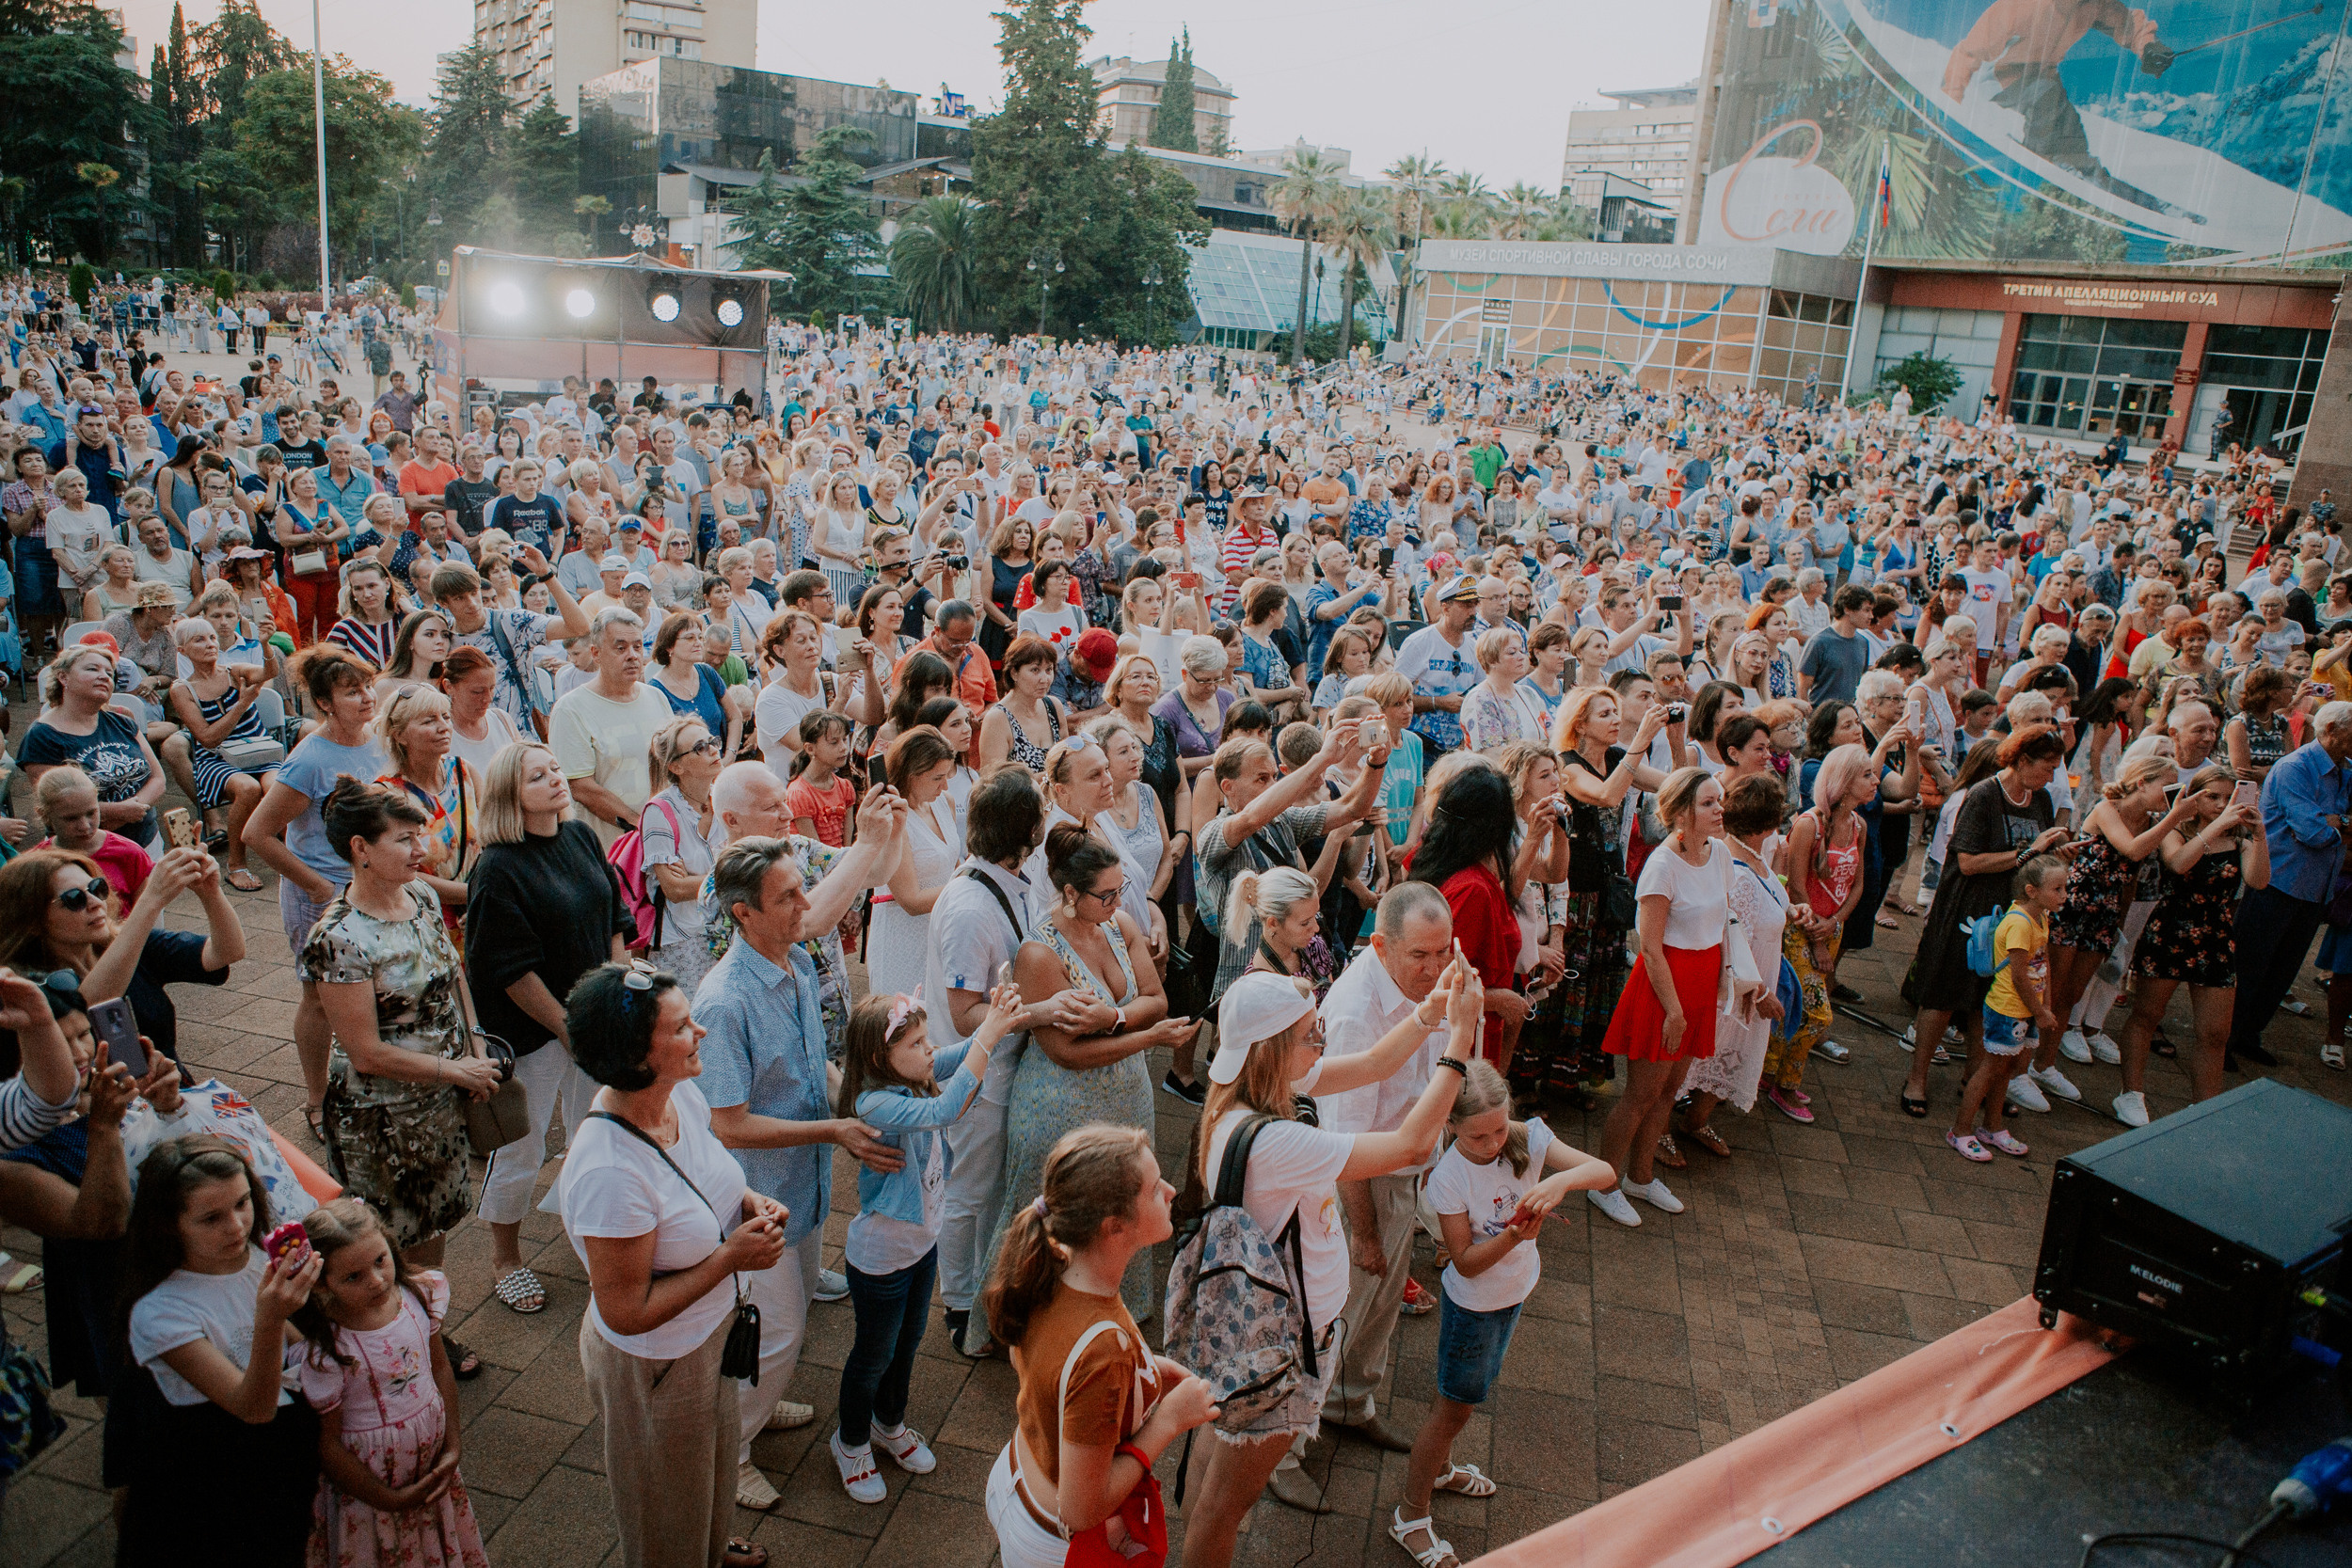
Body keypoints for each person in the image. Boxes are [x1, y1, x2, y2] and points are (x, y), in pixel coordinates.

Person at [1176, 962, 1481, 1566]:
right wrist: (1459, 1044)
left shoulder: (1248, 1095)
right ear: (1271, 1048)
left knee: (1215, 1469)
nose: (1322, 1040)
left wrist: (1430, 1011)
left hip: (1251, 1330)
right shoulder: (1274, 1140)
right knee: (1225, 1508)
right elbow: (1412, 1145)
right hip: (1279, 1348)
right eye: (1311, 1033)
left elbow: (1371, 1065)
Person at [693, 828, 912, 1510]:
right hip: (758, 1196)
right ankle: (730, 1452)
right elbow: (727, 1122)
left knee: (778, 1325)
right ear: (742, 912)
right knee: (779, 1326)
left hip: (805, 1178)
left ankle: (762, 1394)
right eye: (787, 896)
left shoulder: (792, 963)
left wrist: (847, 1093)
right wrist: (835, 1128)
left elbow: (802, 1062)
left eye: (800, 888)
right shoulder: (724, 1000)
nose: (806, 905)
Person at [557, 961, 787, 1568]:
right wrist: (730, 1257)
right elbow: (627, 1311)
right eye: (683, 1027)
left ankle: (710, 1544)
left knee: (708, 1471)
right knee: (663, 1510)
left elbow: (707, 1172)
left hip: (707, 1336)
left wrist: (747, 1201)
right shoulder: (609, 1172)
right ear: (638, 1058)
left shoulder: (678, 1089)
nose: (702, 1033)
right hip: (657, 1366)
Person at [972, 824, 1190, 1348]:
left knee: (1122, 1206)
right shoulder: (1039, 954)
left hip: (1125, 1095)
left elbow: (1156, 999)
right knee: (1046, 1216)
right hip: (1060, 1105)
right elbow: (1066, 1053)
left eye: (1120, 891)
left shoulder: (1119, 925)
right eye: (1106, 894)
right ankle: (1022, 1326)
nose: (1119, 902)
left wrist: (1113, 1018)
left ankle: (1110, 1313)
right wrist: (1144, 1036)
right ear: (1070, 894)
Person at [1274, 881, 1458, 1500]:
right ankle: (1282, 1454)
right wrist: (1368, 1233)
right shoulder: (1356, 1011)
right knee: (1332, 1317)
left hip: (1400, 1171)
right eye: (1421, 955)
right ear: (1381, 944)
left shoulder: (1424, 985)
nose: (1436, 968)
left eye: (1444, 951)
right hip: (1361, 1180)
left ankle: (1351, 1404)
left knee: (1377, 1309)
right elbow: (1343, 1142)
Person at [1393, 1059, 1613, 1568]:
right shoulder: (1447, 1178)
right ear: (1449, 1126)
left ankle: (1441, 1468)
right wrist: (1513, 1234)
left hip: (1512, 1292)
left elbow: (1603, 1172)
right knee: (1454, 1408)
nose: (1493, 1144)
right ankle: (1409, 1514)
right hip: (1473, 1308)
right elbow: (1466, 1264)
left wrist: (1561, 1184)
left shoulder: (1527, 1135)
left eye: (1499, 1128)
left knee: (1457, 1400)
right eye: (1476, 1137)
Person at [979, 1125, 1222, 1568]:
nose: (1171, 1191)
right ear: (1114, 1227)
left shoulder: (1056, 1266)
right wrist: (1168, 1420)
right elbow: (1080, 1510)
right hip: (1055, 1544)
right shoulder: (1104, 1349)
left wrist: (1146, 1370)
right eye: (1153, 1190)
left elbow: (1036, 1365)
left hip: (1017, 1478)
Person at [828, 980, 1025, 1503]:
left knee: (908, 1345)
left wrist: (993, 1022)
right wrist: (993, 1032)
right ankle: (849, 1441)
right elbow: (947, 1109)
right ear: (880, 1056)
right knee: (873, 1355)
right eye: (915, 1044)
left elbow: (958, 1057)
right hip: (880, 1261)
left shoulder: (910, 1075)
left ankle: (887, 1425)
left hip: (921, 1249)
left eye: (925, 1040)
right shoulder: (875, 1104)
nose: (928, 1051)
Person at [305, 778, 497, 1292]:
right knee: (390, 1239)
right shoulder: (338, 938)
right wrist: (457, 1069)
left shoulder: (421, 896)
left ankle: (428, 1319)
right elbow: (365, 1053)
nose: (422, 850)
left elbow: (455, 976)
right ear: (360, 848)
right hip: (382, 1118)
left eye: (421, 835)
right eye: (405, 839)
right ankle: (403, 1336)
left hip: (442, 1099)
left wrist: (476, 1046)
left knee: (434, 1220)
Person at [463, 740, 630, 1318]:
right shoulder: (498, 868)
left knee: (593, 1131)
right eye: (539, 776)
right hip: (535, 1031)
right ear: (512, 795)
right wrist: (567, 1027)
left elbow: (614, 913)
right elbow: (508, 970)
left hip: (588, 1018)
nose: (557, 779)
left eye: (556, 768)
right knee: (522, 1146)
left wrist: (614, 986)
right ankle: (504, 1258)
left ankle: (586, 1232)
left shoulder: (581, 836)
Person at [116, 1134, 324, 1568]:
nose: (236, 1226)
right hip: (212, 1469)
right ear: (168, 1224)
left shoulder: (247, 1257)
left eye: (242, 1203)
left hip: (277, 1454)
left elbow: (292, 1341)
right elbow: (252, 1407)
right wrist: (270, 1319)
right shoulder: (160, 1314)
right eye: (211, 1218)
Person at [289, 1196, 490, 1568]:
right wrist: (386, 1499)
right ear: (321, 1285)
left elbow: (440, 1368)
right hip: (372, 1487)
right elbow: (329, 1444)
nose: (377, 1280)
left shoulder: (418, 1294)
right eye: (353, 1276)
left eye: (380, 1261)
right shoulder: (328, 1351)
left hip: (431, 1463)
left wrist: (453, 1445)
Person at [1588, 768, 1745, 1228]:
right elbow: (1650, 947)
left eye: (1720, 801)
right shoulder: (1660, 866)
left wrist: (1722, 982)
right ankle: (1604, 1185)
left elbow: (1722, 923)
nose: (1720, 810)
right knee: (1639, 1095)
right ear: (1680, 813)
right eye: (1708, 804)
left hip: (1699, 984)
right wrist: (1675, 1010)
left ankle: (1640, 1176)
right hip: (1664, 989)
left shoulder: (1718, 853)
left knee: (1669, 1091)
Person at [245, 645, 390, 1136]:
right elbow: (257, 834)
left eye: (368, 686)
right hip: (322, 895)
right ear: (325, 703)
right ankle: (316, 1097)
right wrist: (318, 886)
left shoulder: (379, 741)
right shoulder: (310, 757)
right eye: (352, 692)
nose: (367, 698)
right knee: (318, 997)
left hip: (374, 888)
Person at [1899, 724, 2075, 1117]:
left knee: (1987, 1002)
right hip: (1967, 913)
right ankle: (1917, 1079)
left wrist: (2058, 855)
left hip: (2011, 916)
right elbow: (1968, 862)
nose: (2052, 777)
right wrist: (2030, 851)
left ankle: (1974, 1083)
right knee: (1944, 997)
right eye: (2047, 767)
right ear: (2022, 759)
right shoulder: (1983, 796)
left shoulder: (2040, 798)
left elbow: (2037, 856)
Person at [0, 843, 242, 1067]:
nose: (95, 902)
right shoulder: (24, 985)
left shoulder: (129, 943)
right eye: (74, 899)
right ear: (30, 920)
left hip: (167, 1094)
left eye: (97, 888)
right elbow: (83, 1008)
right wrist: (151, 900)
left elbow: (226, 952)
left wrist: (211, 894)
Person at [2122, 765, 2273, 1104]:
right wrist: (2218, 826)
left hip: (2216, 937)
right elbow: (2177, 863)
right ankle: (2131, 1093)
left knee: (2215, 1033)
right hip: (2170, 930)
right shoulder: (2177, 829)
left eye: (2229, 797)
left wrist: (2260, 835)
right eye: (2213, 796)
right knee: (2147, 1015)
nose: (2222, 804)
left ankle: (2204, 1109)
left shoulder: (2242, 840)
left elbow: (2259, 881)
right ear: (2194, 797)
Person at [2225, 702, 2352, 1072]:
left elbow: (2323, 827)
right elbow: (2312, 832)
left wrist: (2335, 821)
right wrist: (2342, 823)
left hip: (2315, 890)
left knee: (2282, 971)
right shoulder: (2295, 768)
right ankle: (2224, 1041)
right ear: (2331, 730)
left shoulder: (2344, 770)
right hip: (2277, 882)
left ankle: (2249, 1036)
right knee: (2250, 966)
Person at [1676, 773, 1793, 1157]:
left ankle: (1695, 1122)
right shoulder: (1739, 875)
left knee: (1732, 1058)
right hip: (1734, 993)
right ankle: (1660, 1129)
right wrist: (1758, 994)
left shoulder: (1757, 858)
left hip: (1755, 984)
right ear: (1767, 823)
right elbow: (1730, 942)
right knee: (1702, 1059)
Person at [1757, 744, 1872, 1125]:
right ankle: (1784, 1085)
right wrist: (1820, 938)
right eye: (1866, 775)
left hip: (1830, 928)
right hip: (1801, 932)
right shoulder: (1809, 825)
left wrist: (1837, 921)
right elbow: (1795, 887)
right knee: (1816, 1016)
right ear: (1843, 781)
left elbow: (1856, 884)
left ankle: (1770, 1073)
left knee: (1797, 1007)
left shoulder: (1859, 825)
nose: (1874, 782)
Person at [20, 645, 167, 850]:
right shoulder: (42, 736)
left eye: (109, 673)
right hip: (86, 848)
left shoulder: (122, 722)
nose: (104, 677)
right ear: (64, 678)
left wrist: (134, 809)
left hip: (145, 840)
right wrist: (119, 812)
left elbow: (158, 778)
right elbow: (53, 805)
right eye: (92, 669)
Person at [549, 607, 676, 843]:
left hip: (664, 839)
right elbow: (582, 788)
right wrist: (641, 827)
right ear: (596, 654)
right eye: (621, 648)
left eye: (638, 646)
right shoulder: (571, 709)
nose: (632, 655)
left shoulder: (656, 697)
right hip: (610, 849)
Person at [167, 615, 275, 890]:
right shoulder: (182, 689)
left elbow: (269, 672)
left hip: (257, 751)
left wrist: (265, 646)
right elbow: (207, 739)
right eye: (199, 639)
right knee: (248, 788)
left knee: (278, 785)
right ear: (183, 650)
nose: (210, 644)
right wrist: (242, 704)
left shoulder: (235, 671)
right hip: (215, 759)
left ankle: (292, 855)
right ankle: (236, 864)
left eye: (212, 637)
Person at [867, 725, 965, 1000]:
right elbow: (910, 900)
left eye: (947, 776)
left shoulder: (943, 801)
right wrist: (970, 883)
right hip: (904, 938)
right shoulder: (891, 816)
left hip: (942, 929)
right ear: (911, 775)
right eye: (937, 777)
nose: (945, 785)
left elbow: (952, 863)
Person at [639, 716, 728, 994]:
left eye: (713, 741)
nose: (714, 749)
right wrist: (734, 874)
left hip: (723, 931)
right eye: (700, 747)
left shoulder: (723, 796)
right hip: (682, 943)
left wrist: (696, 879)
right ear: (676, 766)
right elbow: (675, 889)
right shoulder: (659, 811)